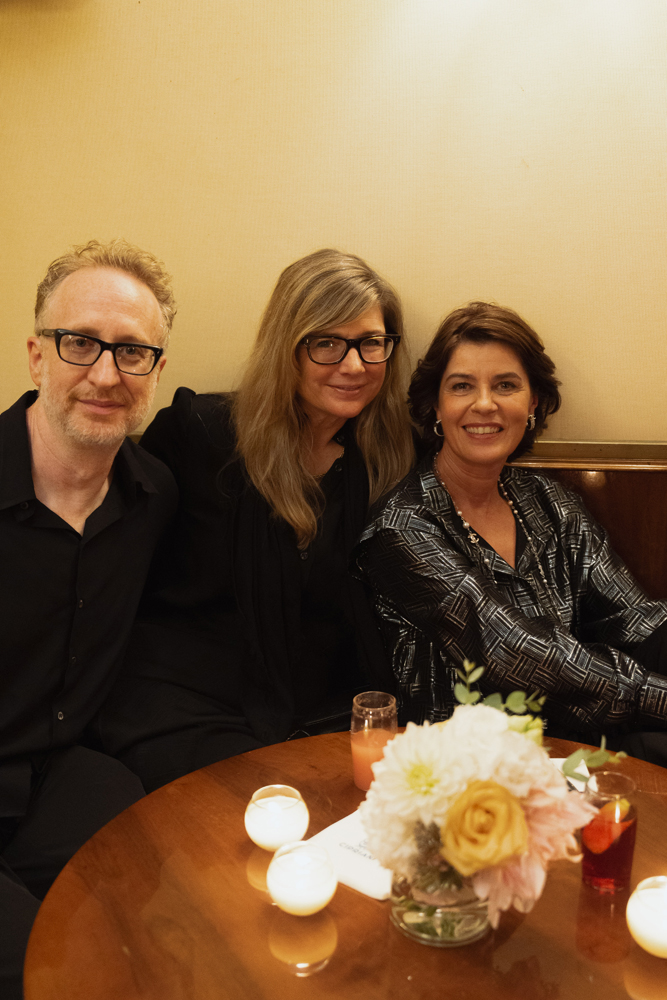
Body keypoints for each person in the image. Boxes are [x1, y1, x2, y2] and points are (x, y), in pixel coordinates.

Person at [100, 248, 415, 792]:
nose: (355, 365)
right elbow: (112, 568)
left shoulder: (390, 463)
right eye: (326, 343)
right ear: (286, 348)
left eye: (371, 343)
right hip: (183, 702)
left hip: (321, 710)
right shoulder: (199, 435)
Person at [355, 301, 667, 756]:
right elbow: (514, 654)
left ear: (533, 402)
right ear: (435, 407)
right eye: (462, 386)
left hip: (573, 740)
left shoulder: (547, 501)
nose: (485, 404)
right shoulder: (402, 528)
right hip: (470, 770)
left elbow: (634, 617)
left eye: (506, 385)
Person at [0, 239, 178, 999]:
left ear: (156, 372)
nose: (106, 374)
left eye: (132, 352)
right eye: (81, 344)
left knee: (148, 935)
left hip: (60, 776)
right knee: (52, 975)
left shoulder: (154, 495)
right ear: (38, 356)